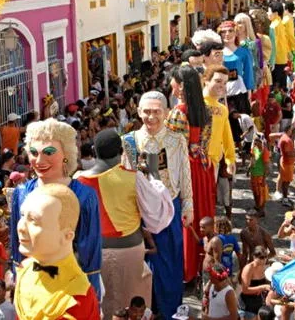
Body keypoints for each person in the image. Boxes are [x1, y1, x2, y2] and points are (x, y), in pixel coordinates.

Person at [77, 129, 174, 319]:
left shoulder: (78, 181)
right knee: (133, 308)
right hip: (130, 251)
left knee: (101, 306)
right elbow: (157, 214)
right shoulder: (132, 177)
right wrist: (154, 174)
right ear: (121, 151)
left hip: (93, 255)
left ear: (95, 151)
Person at [10, 119, 103, 299]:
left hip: (71, 286)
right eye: (33, 153)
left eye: (49, 152)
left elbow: (90, 249)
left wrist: (91, 293)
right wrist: (18, 280)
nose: (39, 160)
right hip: (32, 284)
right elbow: (17, 246)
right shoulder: (21, 193)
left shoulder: (84, 196)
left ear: (66, 154)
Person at [121, 91, 193, 319]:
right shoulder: (130, 142)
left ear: (165, 112)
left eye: (156, 112)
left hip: (170, 207)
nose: (151, 117)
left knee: (170, 261)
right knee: (141, 262)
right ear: (139, 112)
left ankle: (170, 309)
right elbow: (125, 177)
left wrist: (188, 204)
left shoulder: (176, 139)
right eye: (146, 112)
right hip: (139, 210)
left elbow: (184, 172)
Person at [14, 184, 99, 319]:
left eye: (34, 220)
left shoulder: (77, 296)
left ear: (67, 236)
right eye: (23, 215)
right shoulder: (25, 268)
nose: (21, 227)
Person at [165, 65, 216, 283]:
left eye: (174, 81)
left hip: (186, 168)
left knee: (187, 215)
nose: (171, 85)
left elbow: (172, 146)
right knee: (203, 212)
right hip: (203, 166)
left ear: (181, 86)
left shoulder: (178, 113)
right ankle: (203, 262)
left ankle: (187, 268)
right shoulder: (205, 110)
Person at [217, 21, 254, 113]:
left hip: (239, 91)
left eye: (230, 31)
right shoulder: (216, 52)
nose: (227, 34)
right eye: (223, 32)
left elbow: (248, 72)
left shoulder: (244, 51)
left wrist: (249, 90)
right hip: (221, 91)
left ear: (236, 33)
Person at [239, 246, 271, 320]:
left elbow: (262, 282)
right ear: (254, 257)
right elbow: (245, 290)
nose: (264, 260)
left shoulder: (263, 266)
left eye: (265, 257)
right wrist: (263, 287)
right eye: (261, 257)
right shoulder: (249, 268)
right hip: (247, 305)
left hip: (258, 302)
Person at [268, 2, 290, 89]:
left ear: (276, 13)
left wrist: (271, 61)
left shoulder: (273, 26)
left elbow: (273, 45)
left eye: (269, 11)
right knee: (282, 85)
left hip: (276, 60)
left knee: (275, 86)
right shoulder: (280, 23)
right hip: (282, 58)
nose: (267, 13)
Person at [273, 124, 295, 206]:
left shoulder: (284, 137)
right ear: (289, 130)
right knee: (286, 181)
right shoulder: (286, 140)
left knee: (286, 180)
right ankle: (285, 199)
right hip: (287, 162)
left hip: (287, 162)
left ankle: (284, 196)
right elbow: (287, 153)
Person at [249, 137, 270, 215]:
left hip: (260, 176)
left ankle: (261, 210)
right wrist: (249, 170)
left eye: (257, 142)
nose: (255, 144)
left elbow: (266, 167)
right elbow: (254, 161)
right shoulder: (255, 149)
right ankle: (257, 206)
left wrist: (264, 178)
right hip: (254, 175)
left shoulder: (265, 152)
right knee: (255, 192)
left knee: (261, 194)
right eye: (254, 142)